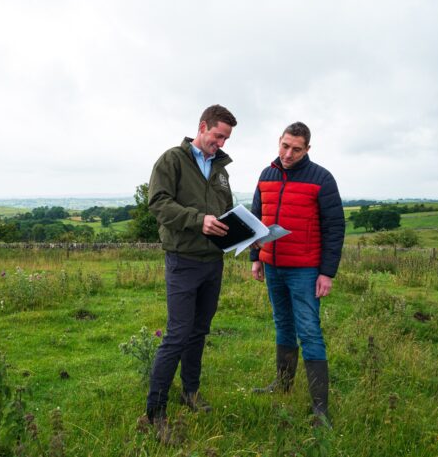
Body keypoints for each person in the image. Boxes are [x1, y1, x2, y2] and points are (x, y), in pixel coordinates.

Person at [145, 104, 237, 438]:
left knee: (199, 332)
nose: (221, 144)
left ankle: (190, 393)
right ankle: (155, 415)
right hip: (183, 260)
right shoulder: (172, 160)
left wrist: (241, 232)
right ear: (202, 127)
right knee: (178, 335)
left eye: (226, 138)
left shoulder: (221, 170)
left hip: (213, 262)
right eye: (217, 136)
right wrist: (199, 221)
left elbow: (225, 210)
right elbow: (158, 203)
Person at [249, 121, 345, 425]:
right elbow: (256, 220)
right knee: (283, 325)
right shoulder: (266, 175)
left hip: (304, 270)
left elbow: (334, 228)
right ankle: (283, 384)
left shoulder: (322, 179)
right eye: (285, 146)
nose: (288, 153)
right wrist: (256, 257)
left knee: (310, 331)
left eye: (296, 149)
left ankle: (320, 409)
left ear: (307, 149)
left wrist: (326, 273)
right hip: (273, 267)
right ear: (279, 141)